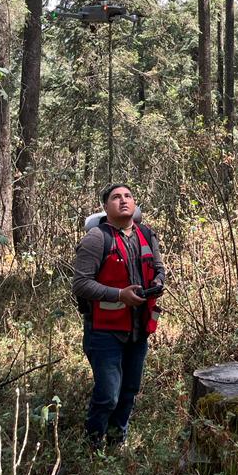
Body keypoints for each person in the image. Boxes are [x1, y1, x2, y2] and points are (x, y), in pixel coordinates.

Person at [72, 183, 166, 448]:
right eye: (116, 197)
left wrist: (158, 282)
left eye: (128, 196)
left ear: (134, 204)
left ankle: (116, 445)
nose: (123, 201)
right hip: (104, 332)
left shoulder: (147, 234)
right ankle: (91, 447)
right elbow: (80, 284)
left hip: (139, 329)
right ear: (105, 207)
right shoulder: (96, 239)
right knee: (107, 396)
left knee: (129, 392)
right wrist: (119, 295)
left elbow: (159, 268)